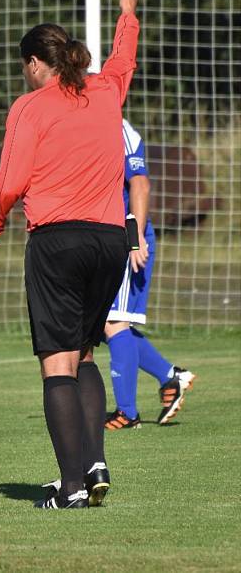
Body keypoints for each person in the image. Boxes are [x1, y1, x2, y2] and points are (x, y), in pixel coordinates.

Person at [0, 0, 140, 509]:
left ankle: (70, 486)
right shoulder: (105, 91)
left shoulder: (30, 106)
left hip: (58, 242)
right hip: (110, 241)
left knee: (56, 363)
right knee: (84, 353)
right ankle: (93, 463)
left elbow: (12, 179)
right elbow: (123, 62)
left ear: (34, 63)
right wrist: (127, 15)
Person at [104, 119, 196, 429]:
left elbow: (140, 183)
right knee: (105, 323)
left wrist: (135, 237)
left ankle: (127, 413)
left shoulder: (119, 128)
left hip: (127, 238)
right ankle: (172, 377)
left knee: (114, 322)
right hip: (100, 238)